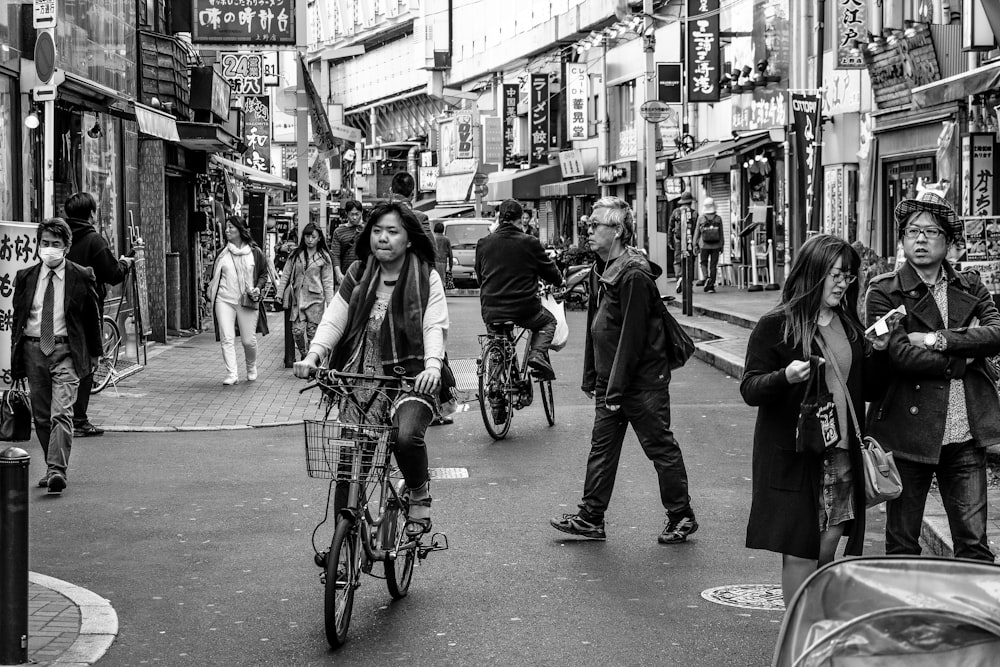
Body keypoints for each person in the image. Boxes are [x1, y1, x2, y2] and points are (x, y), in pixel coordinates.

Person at [741, 234, 889, 605]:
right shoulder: (777, 324)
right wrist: (784, 377)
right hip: (796, 455)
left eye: (848, 276)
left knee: (828, 546)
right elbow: (750, 388)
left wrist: (881, 355)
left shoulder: (848, 324)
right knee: (799, 549)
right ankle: (798, 636)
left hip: (841, 452)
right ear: (814, 273)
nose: (843, 283)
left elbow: (869, 388)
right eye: (835, 274)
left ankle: (815, 623)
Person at [293, 202, 454, 536]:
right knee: (349, 468)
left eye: (392, 231)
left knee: (406, 437)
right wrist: (313, 355)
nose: (383, 238)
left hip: (411, 376)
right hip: (359, 378)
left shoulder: (426, 276)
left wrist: (433, 366)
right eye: (378, 230)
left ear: (409, 239)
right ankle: (343, 550)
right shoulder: (359, 273)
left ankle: (419, 494)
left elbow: (434, 326)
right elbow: (335, 316)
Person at [550, 196, 698, 543]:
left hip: (641, 382)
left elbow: (633, 338)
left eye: (595, 225)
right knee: (601, 449)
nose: (588, 230)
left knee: (660, 447)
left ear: (616, 231)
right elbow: (595, 327)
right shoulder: (601, 269)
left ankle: (682, 516)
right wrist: (593, 376)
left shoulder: (633, 275)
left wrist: (614, 389)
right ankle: (591, 517)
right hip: (611, 381)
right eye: (588, 224)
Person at [866, 192, 1000, 563]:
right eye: (911, 232)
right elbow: (900, 355)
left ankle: (973, 620)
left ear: (949, 240)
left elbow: (996, 332)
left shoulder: (970, 285)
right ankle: (904, 619)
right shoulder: (884, 290)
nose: (920, 239)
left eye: (929, 231)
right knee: (902, 543)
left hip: (964, 432)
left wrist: (935, 339)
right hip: (907, 435)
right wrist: (963, 356)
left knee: (974, 545)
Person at [11, 217, 102, 494]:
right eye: (45, 243)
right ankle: (53, 465)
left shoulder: (81, 275)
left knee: (61, 412)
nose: (49, 249)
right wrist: (14, 361)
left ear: (66, 246)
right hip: (33, 349)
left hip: (66, 351)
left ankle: (56, 471)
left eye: (56, 244)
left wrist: (95, 353)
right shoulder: (26, 277)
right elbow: (18, 319)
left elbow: (92, 317)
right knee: (40, 415)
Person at [63, 191, 134, 438]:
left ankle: (60, 414)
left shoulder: (59, 238)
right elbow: (112, 273)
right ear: (91, 213)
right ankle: (79, 419)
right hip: (85, 310)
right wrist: (125, 263)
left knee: (62, 360)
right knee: (87, 361)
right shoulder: (94, 241)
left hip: (55, 309)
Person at [476, 199, 564, 381]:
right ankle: (537, 354)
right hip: (524, 309)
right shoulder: (529, 242)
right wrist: (559, 281)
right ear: (520, 219)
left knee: (496, 343)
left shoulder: (483, 243)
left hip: (491, 309)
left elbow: (480, 277)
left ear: (499, 218)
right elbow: (550, 271)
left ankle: (495, 390)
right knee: (548, 322)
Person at [207, 216, 270, 385]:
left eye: (230, 227)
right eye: (226, 227)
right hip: (224, 299)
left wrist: (258, 286)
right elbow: (214, 276)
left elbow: (264, 273)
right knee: (227, 337)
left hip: (246, 300)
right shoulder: (222, 253)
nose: (227, 230)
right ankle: (232, 373)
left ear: (240, 230)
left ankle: (251, 366)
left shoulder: (254, 252)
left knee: (248, 340)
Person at [276, 222, 336, 360]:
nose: (310, 240)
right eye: (307, 236)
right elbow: (286, 274)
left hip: (316, 300)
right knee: (297, 331)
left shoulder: (324, 257)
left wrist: (330, 303)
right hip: (298, 298)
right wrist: (279, 293)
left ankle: (311, 359)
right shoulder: (296, 254)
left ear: (319, 238)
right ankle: (304, 354)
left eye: (313, 237)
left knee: (312, 333)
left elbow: (328, 282)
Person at [693, 196, 724, 293]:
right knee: (713, 265)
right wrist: (722, 245)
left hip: (704, 245)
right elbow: (721, 233)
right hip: (716, 245)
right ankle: (711, 285)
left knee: (703, 263)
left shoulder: (701, 218)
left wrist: (695, 244)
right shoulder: (718, 219)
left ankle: (706, 279)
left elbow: (697, 232)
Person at [331, 200, 364, 286]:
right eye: (351, 214)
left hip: (363, 274)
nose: (354, 217)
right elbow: (335, 255)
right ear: (346, 214)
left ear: (361, 213)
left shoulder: (366, 229)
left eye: (357, 214)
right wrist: (338, 274)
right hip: (345, 275)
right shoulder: (339, 231)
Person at [389, 171, 432, 237]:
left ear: (391, 191)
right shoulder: (420, 218)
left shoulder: (377, 215)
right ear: (413, 193)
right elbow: (431, 246)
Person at [669, 192, 695, 293]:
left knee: (677, 261)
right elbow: (697, 229)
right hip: (690, 241)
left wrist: (670, 240)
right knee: (690, 261)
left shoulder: (676, 212)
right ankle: (689, 283)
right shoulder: (694, 213)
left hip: (678, 240)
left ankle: (679, 277)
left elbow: (670, 227)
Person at [433, 221, 453, 286]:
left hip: (433, 261)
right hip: (443, 262)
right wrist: (450, 266)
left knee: (434, 279)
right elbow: (450, 254)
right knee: (442, 280)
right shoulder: (446, 239)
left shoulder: (432, 238)